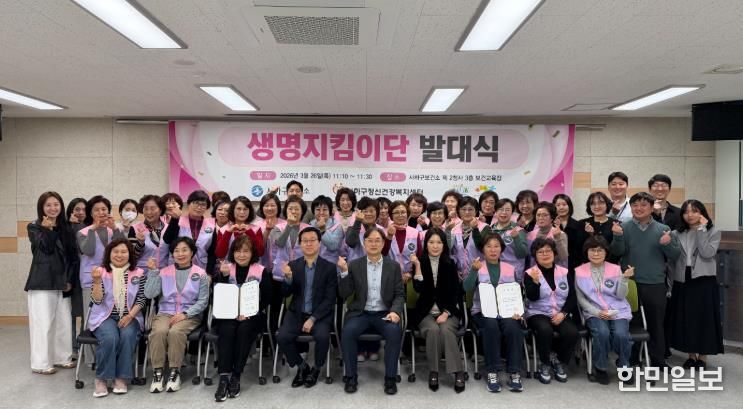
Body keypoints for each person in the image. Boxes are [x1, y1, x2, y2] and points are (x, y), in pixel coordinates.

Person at [610, 192, 680, 368]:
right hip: (630, 283)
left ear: (651, 208)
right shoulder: (624, 227)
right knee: (632, 323)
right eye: (635, 205)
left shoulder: (663, 229)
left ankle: (658, 360)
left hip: (655, 283)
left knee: (656, 323)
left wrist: (667, 243)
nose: (639, 208)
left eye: (643, 205)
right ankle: (632, 357)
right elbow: (617, 252)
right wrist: (617, 236)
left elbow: (674, 255)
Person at [339, 228, 405, 395]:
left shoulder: (393, 266)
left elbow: (399, 294)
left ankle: (390, 378)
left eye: (377, 240)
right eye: (370, 240)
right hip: (361, 313)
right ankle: (351, 376)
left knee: (394, 332)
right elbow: (344, 293)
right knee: (348, 332)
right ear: (364, 243)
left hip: (384, 314)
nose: (374, 244)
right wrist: (344, 272)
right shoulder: (354, 265)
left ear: (383, 244)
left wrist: (395, 311)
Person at [145, 237, 209, 393]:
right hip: (165, 312)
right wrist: (153, 273)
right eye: (176, 251)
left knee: (175, 332)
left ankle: (175, 372)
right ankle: (158, 372)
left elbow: (203, 301)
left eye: (185, 250)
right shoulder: (163, 272)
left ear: (192, 252)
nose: (180, 254)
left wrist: (186, 314)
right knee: (159, 331)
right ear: (172, 254)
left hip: (190, 314)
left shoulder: (201, 274)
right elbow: (149, 294)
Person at [276, 227, 338, 388]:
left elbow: (330, 299)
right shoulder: (293, 265)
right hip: (296, 312)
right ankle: (302, 366)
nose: (309, 244)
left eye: (312, 240)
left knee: (323, 337)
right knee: (282, 337)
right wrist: (288, 278)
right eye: (305, 241)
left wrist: (313, 318)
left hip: (319, 315)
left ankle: (316, 368)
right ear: (300, 244)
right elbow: (285, 293)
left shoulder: (329, 267)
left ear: (319, 243)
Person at [212, 235, 272, 401]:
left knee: (244, 329)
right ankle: (224, 377)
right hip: (228, 314)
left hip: (252, 315)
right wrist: (223, 277)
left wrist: (249, 311)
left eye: (246, 251)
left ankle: (236, 376)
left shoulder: (260, 270)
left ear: (252, 253)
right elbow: (219, 295)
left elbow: (267, 298)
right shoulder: (226, 268)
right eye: (238, 251)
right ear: (233, 253)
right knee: (227, 330)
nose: (242, 255)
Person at [463, 233, 525, 393]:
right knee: (491, 326)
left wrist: (517, 311)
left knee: (513, 328)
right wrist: (473, 271)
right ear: (483, 249)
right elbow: (466, 288)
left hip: (506, 312)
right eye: (488, 246)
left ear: (501, 249)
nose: (493, 249)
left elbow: (516, 293)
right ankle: (492, 371)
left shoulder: (510, 268)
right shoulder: (478, 266)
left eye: (496, 246)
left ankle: (514, 372)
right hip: (482, 312)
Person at [26, 191, 77, 374]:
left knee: (63, 321)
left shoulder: (66, 227)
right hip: (42, 281)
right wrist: (47, 230)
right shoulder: (34, 227)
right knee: (43, 323)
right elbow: (46, 248)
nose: (53, 208)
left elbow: (72, 256)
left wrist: (69, 279)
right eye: (48, 205)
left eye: (56, 204)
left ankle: (62, 357)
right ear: (42, 208)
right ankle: (41, 363)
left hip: (63, 281)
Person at [88, 239, 146, 397]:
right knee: (110, 337)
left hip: (131, 315)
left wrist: (130, 316)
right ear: (109, 254)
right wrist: (97, 281)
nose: (119, 255)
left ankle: (121, 377)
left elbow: (141, 299)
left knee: (127, 336)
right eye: (116, 252)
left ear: (130, 254)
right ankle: (102, 378)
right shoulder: (100, 272)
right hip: (104, 316)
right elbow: (97, 300)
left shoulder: (139, 273)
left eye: (124, 252)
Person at [669, 200, 723, 369]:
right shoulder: (676, 233)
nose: (690, 215)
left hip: (704, 279)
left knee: (704, 318)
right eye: (686, 211)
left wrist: (702, 230)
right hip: (682, 278)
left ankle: (703, 357)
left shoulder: (713, 231)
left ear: (702, 213)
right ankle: (691, 356)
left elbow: (707, 253)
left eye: (694, 211)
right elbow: (671, 258)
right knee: (687, 317)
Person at [410, 228, 465, 393]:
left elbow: (456, 292)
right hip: (425, 312)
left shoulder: (450, 263)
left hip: (448, 311)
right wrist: (417, 266)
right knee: (433, 330)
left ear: (444, 245)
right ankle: (434, 371)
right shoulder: (420, 262)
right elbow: (418, 288)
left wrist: (446, 313)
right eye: (431, 242)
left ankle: (458, 371)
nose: (435, 246)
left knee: (447, 330)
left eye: (439, 242)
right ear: (425, 244)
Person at [574, 236, 633, 385]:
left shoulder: (615, 268)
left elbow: (621, 296)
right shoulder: (579, 271)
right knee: (602, 333)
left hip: (618, 310)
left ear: (606, 252)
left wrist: (624, 279)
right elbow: (580, 299)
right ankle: (600, 368)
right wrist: (596, 312)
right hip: (594, 311)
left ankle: (624, 365)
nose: (596, 253)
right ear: (586, 252)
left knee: (621, 334)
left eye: (600, 250)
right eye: (592, 250)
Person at [524, 238, 578, 384]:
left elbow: (572, 296)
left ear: (554, 253)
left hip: (560, 312)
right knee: (545, 329)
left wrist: (563, 313)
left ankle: (559, 361)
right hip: (537, 312)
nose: (545, 254)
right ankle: (545, 363)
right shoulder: (530, 273)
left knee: (572, 332)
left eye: (548, 251)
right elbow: (532, 297)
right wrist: (535, 282)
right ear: (535, 256)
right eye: (540, 252)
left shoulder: (564, 272)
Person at [77, 195, 125, 364]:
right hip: (91, 280)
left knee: (110, 317)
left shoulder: (114, 229)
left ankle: (111, 354)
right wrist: (94, 229)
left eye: (104, 209)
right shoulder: (83, 232)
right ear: (91, 213)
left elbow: (124, 249)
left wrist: (116, 229)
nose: (101, 212)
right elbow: (89, 250)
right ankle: (91, 359)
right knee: (91, 318)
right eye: (96, 210)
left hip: (113, 279)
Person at [474, 198, 528, 282]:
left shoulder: (518, 230)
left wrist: (516, 238)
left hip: (512, 276)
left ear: (512, 212)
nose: (504, 212)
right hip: (491, 275)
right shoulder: (489, 229)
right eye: (501, 209)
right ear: (495, 211)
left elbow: (522, 254)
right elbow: (481, 249)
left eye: (507, 210)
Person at [162, 190, 216, 270]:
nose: (199, 207)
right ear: (188, 204)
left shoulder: (211, 226)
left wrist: (209, 272)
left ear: (207, 207)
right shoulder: (178, 221)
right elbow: (167, 240)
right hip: (178, 267)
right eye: (196, 203)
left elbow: (212, 252)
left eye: (203, 204)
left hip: (201, 268)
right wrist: (174, 220)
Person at [214, 196, 265, 266]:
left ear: (249, 211)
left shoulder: (256, 229)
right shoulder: (224, 230)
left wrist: (250, 232)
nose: (242, 212)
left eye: (245, 209)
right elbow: (220, 254)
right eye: (238, 209)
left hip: (253, 269)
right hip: (230, 270)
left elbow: (260, 252)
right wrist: (228, 233)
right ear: (232, 210)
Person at [65, 197, 87, 360]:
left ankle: (83, 345)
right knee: (70, 313)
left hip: (85, 275)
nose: (80, 212)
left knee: (85, 311)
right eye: (77, 209)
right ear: (70, 211)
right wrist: (70, 226)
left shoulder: (89, 228)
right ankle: (71, 347)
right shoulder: (64, 227)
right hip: (69, 275)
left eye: (83, 209)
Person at [269, 196, 311, 275]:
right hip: (281, 271)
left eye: (297, 209)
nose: (293, 211)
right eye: (290, 209)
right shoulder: (278, 227)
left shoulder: (309, 229)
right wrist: (289, 225)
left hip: (302, 271)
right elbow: (280, 244)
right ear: (286, 210)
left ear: (302, 211)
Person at [448, 196, 488, 279]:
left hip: (481, 275)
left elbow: (484, 249)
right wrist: (454, 270)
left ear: (476, 211)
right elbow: (451, 253)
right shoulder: (454, 229)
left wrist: (475, 229)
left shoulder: (484, 227)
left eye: (470, 209)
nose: (467, 212)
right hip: (459, 276)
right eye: (463, 209)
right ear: (458, 211)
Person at [576, 192, 617, 265]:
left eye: (601, 203)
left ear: (607, 205)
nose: (597, 206)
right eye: (593, 204)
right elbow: (578, 249)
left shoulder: (616, 224)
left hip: (610, 266)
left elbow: (617, 251)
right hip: (587, 266)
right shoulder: (582, 224)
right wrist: (589, 235)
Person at [387, 200, 421, 284]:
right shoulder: (385, 232)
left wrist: (411, 273)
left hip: (409, 278)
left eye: (403, 212)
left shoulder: (415, 232)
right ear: (391, 215)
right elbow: (382, 254)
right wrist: (389, 237)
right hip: (389, 277)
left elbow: (419, 255)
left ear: (407, 214)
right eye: (396, 212)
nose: (400, 215)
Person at [525, 202, 568, 268]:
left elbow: (563, 257)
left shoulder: (560, 234)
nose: (541, 218)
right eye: (538, 215)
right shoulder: (530, 234)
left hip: (554, 271)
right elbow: (528, 257)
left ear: (552, 218)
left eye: (545, 215)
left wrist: (557, 238)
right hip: (535, 272)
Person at [132, 195, 169, 269]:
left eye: (153, 208)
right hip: (142, 273)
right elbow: (131, 256)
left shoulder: (168, 228)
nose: (149, 212)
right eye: (146, 209)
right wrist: (140, 243)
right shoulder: (134, 228)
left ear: (160, 210)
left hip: (164, 272)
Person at [309, 195, 344, 264]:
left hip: (331, 264)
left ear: (330, 211)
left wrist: (323, 230)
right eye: (318, 210)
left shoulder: (337, 226)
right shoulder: (310, 225)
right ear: (313, 211)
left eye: (325, 210)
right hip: (313, 264)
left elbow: (333, 246)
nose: (321, 213)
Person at [553, 194, 582, 272]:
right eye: (558, 205)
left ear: (569, 206)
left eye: (564, 204)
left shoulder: (578, 225)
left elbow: (579, 248)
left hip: (574, 265)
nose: (561, 207)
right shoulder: (550, 225)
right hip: (555, 265)